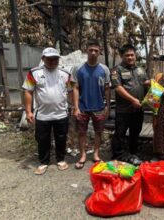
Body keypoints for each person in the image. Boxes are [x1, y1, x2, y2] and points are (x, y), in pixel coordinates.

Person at [23, 47, 71, 175]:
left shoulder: (65, 74)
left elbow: (71, 91)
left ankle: (60, 160)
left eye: (55, 59)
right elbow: (28, 91)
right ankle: (43, 162)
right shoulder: (34, 73)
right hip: (42, 115)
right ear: (43, 59)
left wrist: (75, 107)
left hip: (61, 113)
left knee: (61, 137)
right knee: (42, 139)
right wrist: (28, 112)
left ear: (58, 59)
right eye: (49, 59)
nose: (52, 61)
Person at [71, 39, 110, 169]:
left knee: (99, 132)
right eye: (91, 50)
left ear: (99, 52)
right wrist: (75, 107)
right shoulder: (78, 69)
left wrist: (108, 106)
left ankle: (96, 154)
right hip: (82, 107)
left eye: (96, 51)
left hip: (99, 107)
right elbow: (75, 88)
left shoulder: (104, 69)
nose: (93, 53)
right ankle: (82, 155)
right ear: (86, 51)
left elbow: (107, 89)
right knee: (82, 132)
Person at [110, 44, 149, 165]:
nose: (130, 57)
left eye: (132, 55)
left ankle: (133, 154)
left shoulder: (141, 69)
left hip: (138, 110)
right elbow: (118, 88)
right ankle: (118, 155)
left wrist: (149, 84)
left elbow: (145, 84)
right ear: (122, 56)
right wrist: (132, 99)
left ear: (135, 55)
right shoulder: (117, 70)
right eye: (127, 55)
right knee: (120, 134)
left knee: (135, 132)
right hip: (124, 110)